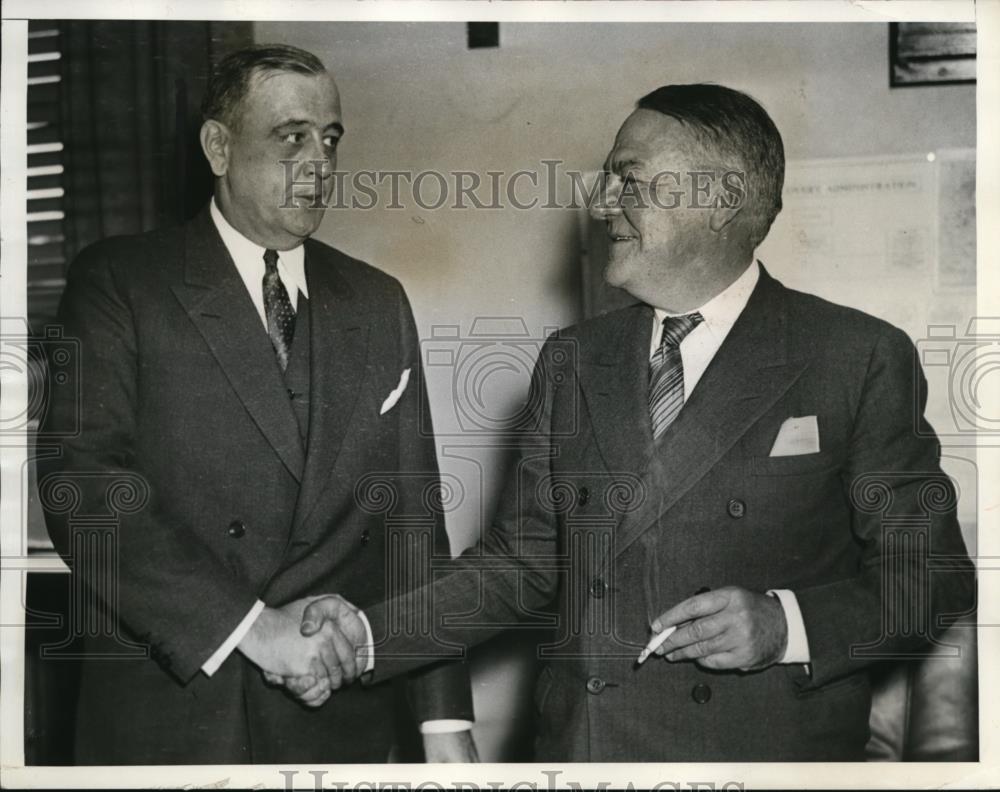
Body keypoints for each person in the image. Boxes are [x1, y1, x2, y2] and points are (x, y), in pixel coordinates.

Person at [284, 83, 975, 761]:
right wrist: (367, 635)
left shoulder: (855, 357)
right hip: (589, 751)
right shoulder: (574, 360)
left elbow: (934, 579)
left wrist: (784, 623)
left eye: (629, 179)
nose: (600, 202)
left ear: (722, 198)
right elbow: (522, 564)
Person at [39, 44, 476, 765]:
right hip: (176, 721)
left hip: (338, 725)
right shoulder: (121, 282)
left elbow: (415, 525)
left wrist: (443, 721)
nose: (319, 163)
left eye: (329, 139)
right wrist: (254, 628)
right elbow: (87, 489)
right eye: (291, 137)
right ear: (219, 147)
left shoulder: (377, 302)